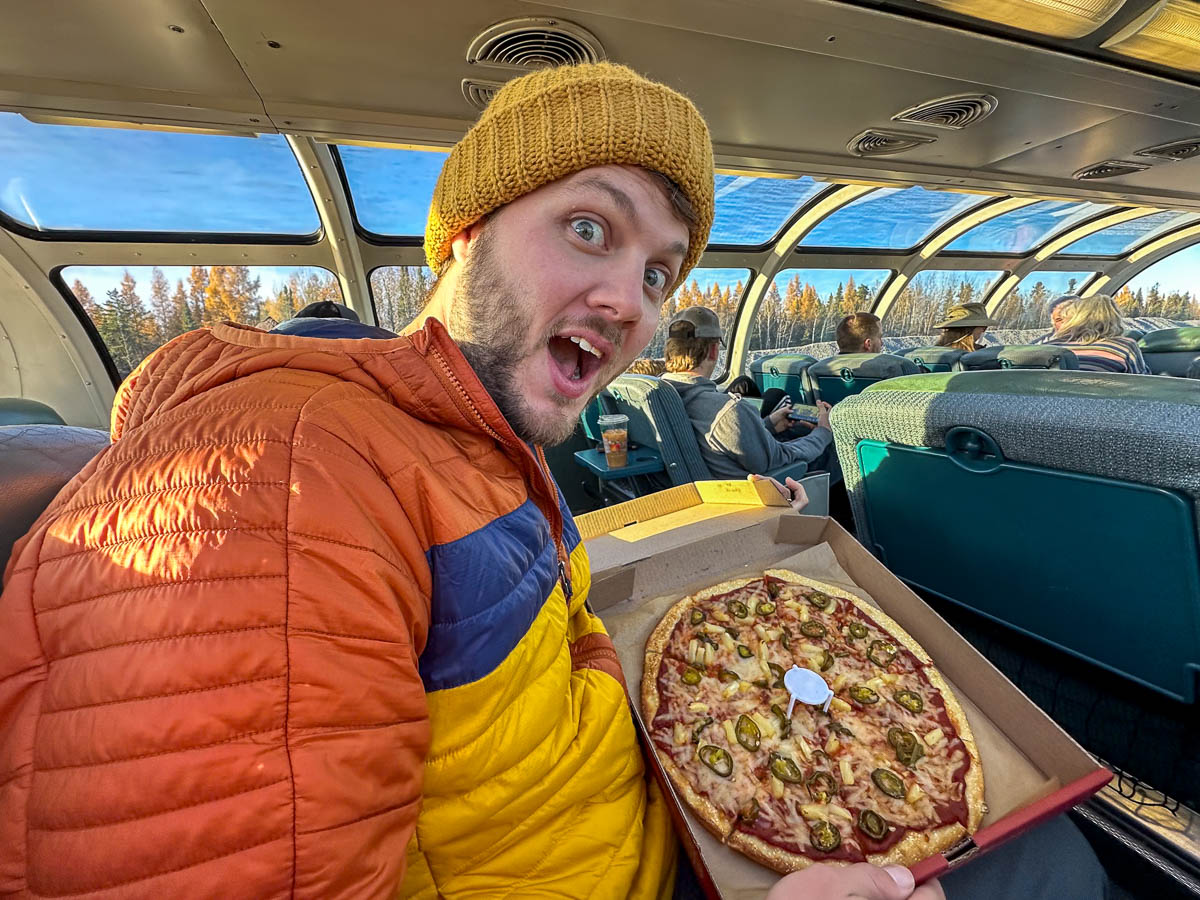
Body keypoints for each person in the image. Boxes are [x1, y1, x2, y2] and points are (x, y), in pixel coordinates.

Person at [0, 62, 1103, 900]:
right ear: (461, 238)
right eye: (590, 227)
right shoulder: (280, 473)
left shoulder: (472, 438)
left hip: (677, 812)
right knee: (1056, 859)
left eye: (659, 269)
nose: (631, 302)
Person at [662, 306, 840, 482]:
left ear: (670, 351)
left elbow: (722, 438)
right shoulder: (728, 409)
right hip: (754, 494)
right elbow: (780, 458)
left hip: (703, 489)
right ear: (713, 350)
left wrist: (768, 423)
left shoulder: (659, 398)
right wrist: (824, 432)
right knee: (836, 453)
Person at [1045, 293, 1150, 374]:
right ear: (1115, 319)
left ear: (1075, 318)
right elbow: (1142, 384)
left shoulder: (1048, 347)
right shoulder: (1125, 347)